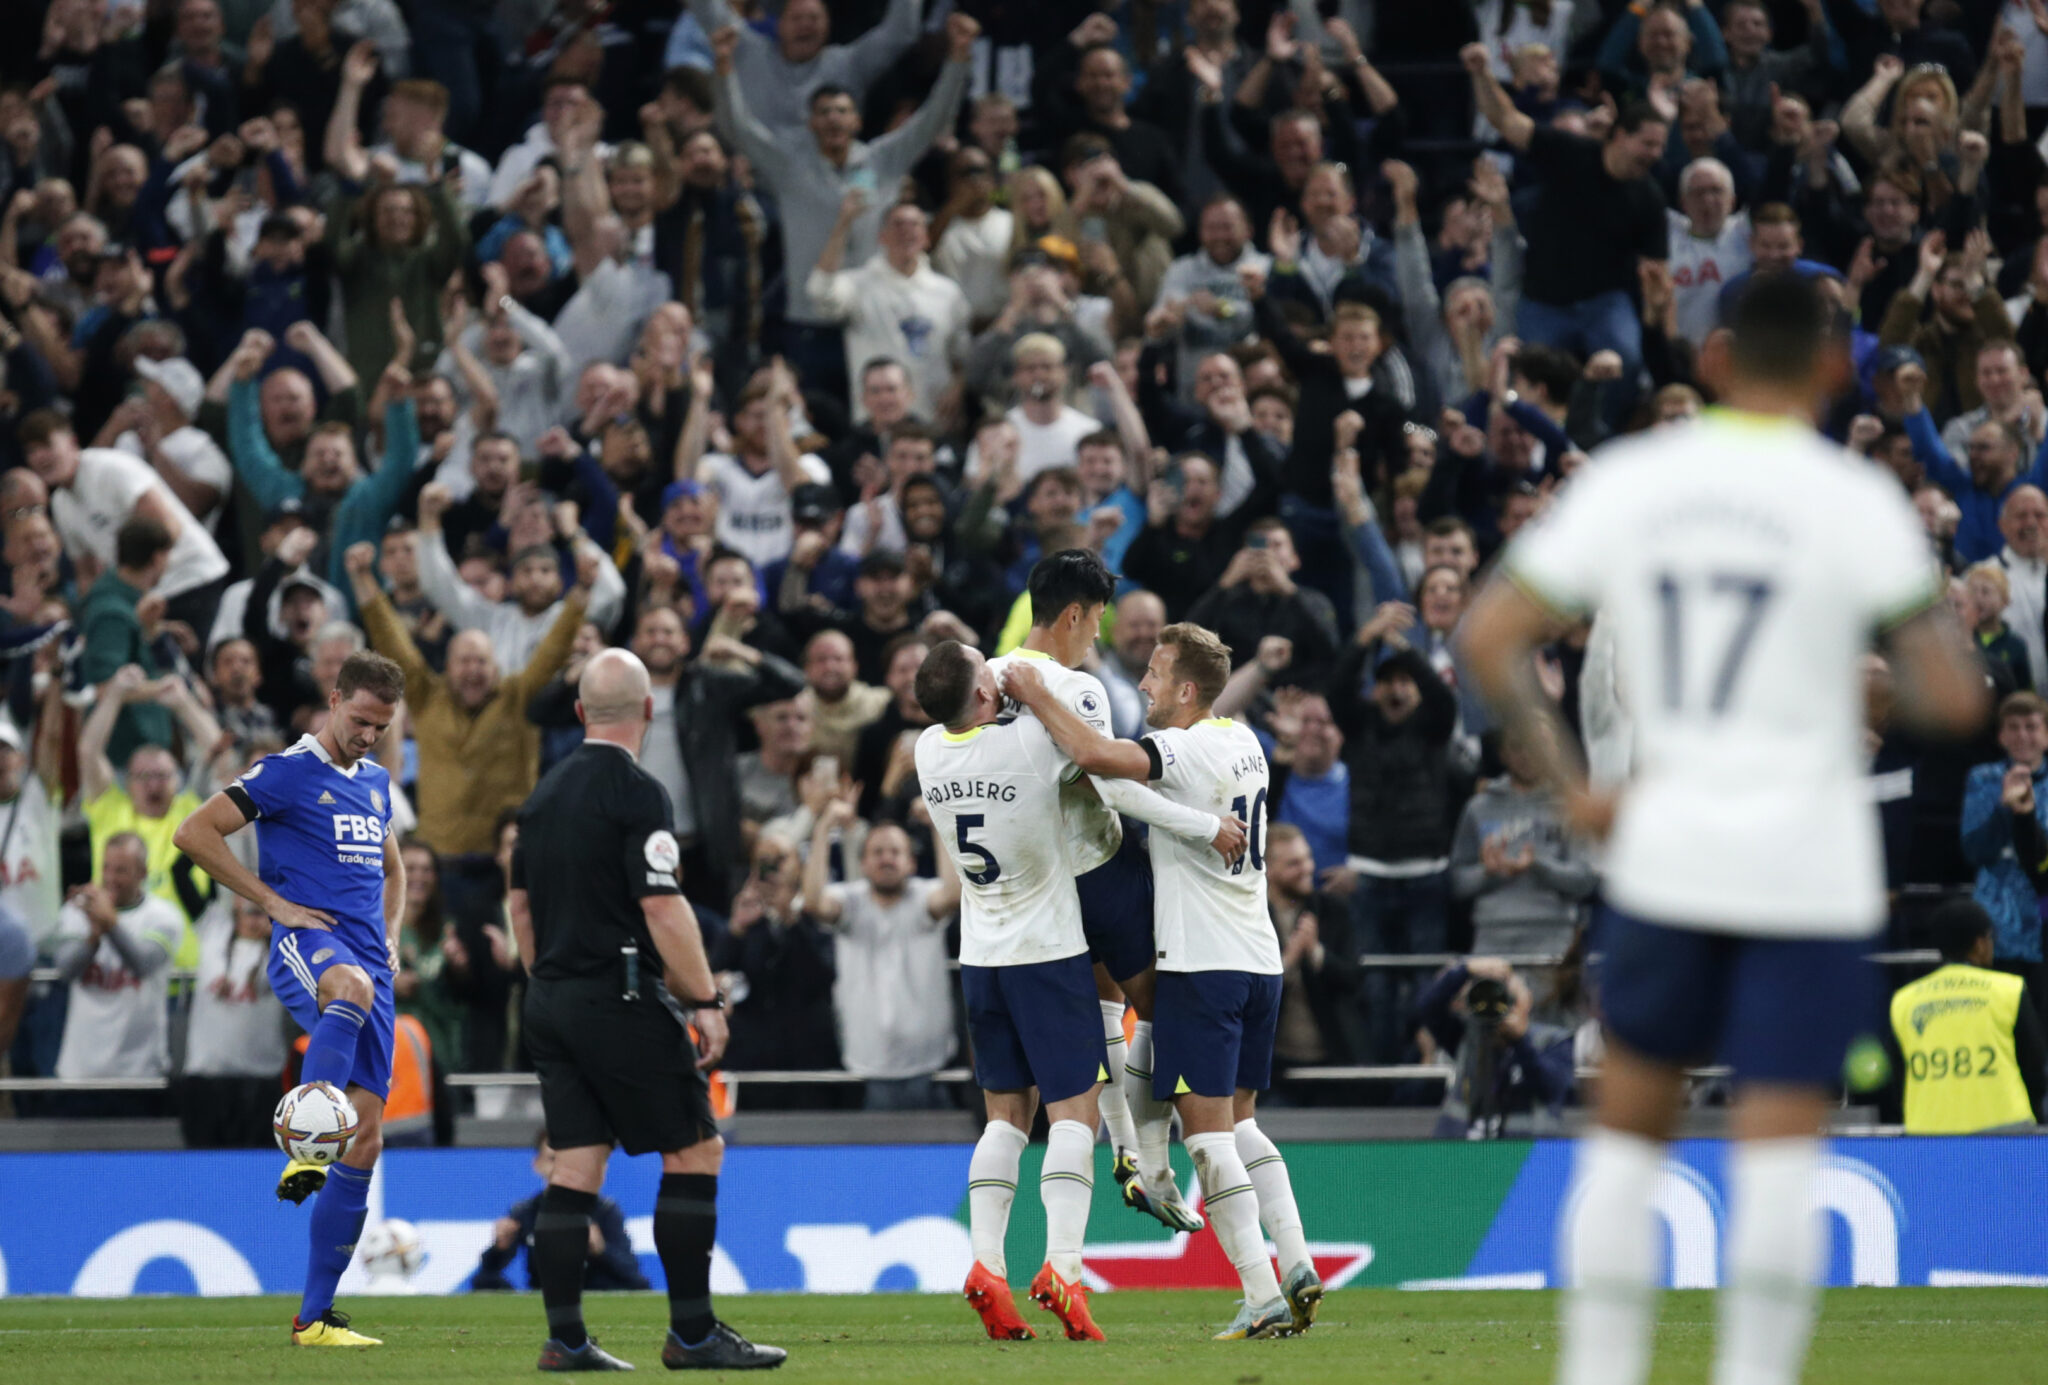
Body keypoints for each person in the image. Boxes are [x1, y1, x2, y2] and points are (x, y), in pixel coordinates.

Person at [1460, 273, 1987, 1385]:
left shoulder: (1634, 481)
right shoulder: (1854, 499)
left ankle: (1598, 1371)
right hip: (1807, 866)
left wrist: (1573, 786)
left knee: (1626, 1143)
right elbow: (1952, 697)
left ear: (1711, 360)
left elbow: (1489, 633)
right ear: (1835, 366)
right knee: (1778, 1161)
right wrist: (1865, 681)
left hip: (1669, 852)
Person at [1002, 621, 1320, 1340]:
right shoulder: (1244, 740)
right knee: (1242, 1123)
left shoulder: (1184, 747)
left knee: (1208, 1140)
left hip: (1203, 966)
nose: (1142, 683)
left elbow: (1094, 759)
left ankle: (1262, 1293)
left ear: (1186, 689)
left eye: (1154, 671)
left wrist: (1035, 692)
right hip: (1260, 961)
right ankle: (1297, 1260)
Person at [504, 648, 780, 1369]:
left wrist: (549, 979)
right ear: (649, 709)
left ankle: (566, 1340)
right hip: (618, 994)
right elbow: (661, 905)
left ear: (579, 712)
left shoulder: (541, 796)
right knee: (694, 1148)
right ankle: (692, 1333)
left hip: (549, 998)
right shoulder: (638, 792)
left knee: (575, 1165)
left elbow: (520, 904)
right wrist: (705, 998)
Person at [985, 550, 1245, 1236]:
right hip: (1100, 868)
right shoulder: (1080, 688)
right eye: (1098, 618)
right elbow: (1112, 784)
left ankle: (1125, 1152)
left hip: (1033, 886)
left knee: (1101, 1011)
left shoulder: (988, 680)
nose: (1097, 635)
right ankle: (1153, 1164)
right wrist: (1205, 825)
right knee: (1163, 1007)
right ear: (1074, 614)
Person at [171, 651, 410, 1347]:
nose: (368, 735)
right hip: (310, 947)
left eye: (381, 726)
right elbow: (194, 832)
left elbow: (395, 869)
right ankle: (305, 1146)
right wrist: (273, 903)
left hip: (369, 965)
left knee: (367, 1136)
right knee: (350, 988)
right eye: (360, 720)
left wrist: (392, 934)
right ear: (334, 700)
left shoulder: (375, 782)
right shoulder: (286, 771)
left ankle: (314, 1317)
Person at [911, 638, 1106, 1345]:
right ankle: (1064, 1268)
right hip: (1047, 951)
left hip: (980, 956)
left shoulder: (927, 751)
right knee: (1077, 1115)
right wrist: (1037, 685)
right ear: (984, 695)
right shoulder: (1028, 743)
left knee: (1005, 1119)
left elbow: (973, 705)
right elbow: (1086, 749)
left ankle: (988, 1265)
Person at [801, 793, 961, 1110]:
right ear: (862, 863)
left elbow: (954, 894)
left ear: (911, 862)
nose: (887, 859)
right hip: (868, 1067)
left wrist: (938, 824)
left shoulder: (923, 897)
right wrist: (824, 828)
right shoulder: (850, 901)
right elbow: (814, 902)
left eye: (895, 852)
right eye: (877, 852)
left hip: (931, 1065)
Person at [49, 833, 183, 1112]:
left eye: (121, 870)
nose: (110, 878)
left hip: (139, 1072)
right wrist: (93, 937)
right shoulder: (76, 912)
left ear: (142, 873)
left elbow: (142, 963)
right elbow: (65, 970)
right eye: (106, 868)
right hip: (80, 1072)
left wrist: (109, 923)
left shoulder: (164, 917)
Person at [1888, 898, 2043, 1134]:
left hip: (1928, 1132)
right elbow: (2035, 1065)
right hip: (2005, 1130)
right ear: (1980, 944)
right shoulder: (2008, 990)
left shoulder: (1904, 1000)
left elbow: (1897, 1076)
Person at [1410, 955, 1577, 1138]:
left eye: (1510, 999)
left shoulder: (1554, 1040)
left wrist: (1520, 1041)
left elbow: (1551, 1089)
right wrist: (1465, 969)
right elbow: (1428, 1007)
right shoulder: (1467, 1037)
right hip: (1463, 1150)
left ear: (1527, 1000)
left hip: (1525, 1151)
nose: (1502, 1008)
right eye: (1494, 1001)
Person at [472, 1135, 653, 1293]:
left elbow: (635, 1278)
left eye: (569, 1162)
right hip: (543, 1298)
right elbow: (485, 1278)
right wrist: (499, 1249)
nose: (561, 1170)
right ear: (537, 1165)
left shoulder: (604, 1211)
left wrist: (601, 1250)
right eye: (552, 1160)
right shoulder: (526, 1212)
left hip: (594, 1297)